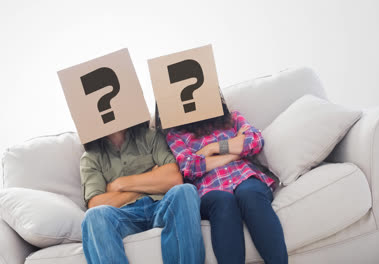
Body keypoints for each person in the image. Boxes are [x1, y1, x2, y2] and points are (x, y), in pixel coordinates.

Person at [165, 100, 288, 264]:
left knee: (249, 194)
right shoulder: (175, 135)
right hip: (209, 191)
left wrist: (212, 148)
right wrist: (235, 151)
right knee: (223, 200)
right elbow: (190, 167)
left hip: (245, 178)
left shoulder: (232, 118)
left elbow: (254, 141)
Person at [80, 121, 205, 264]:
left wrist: (120, 184)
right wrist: (150, 179)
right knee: (93, 216)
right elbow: (96, 204)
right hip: (124, 215)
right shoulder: (90, 157)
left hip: (161, 205)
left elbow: (174, 178)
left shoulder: (150, 137)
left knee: (185, 190)